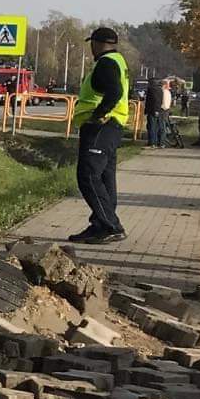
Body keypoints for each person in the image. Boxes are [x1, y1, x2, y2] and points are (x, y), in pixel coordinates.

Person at [72, 27, 130, 244]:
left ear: (95, 44)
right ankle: (100, 225)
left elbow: (114, 92)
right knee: (105, 177)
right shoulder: (118, 61)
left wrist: (99, 114)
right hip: (113, 127)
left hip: (101, 126)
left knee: (87, 175)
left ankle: (111, 226)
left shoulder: (106, 63)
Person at [145, 75, 171, 148]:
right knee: (158, 126)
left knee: (152, 126)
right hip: (160, 110)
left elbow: (154, 101)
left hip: (153, 110)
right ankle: (159, 142)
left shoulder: (151, 89)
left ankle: (152, 143)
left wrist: (154, 110)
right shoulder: (160, 90)